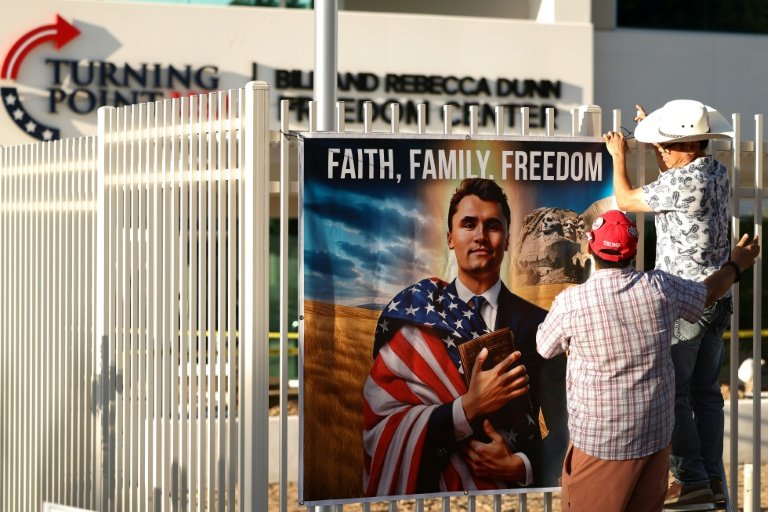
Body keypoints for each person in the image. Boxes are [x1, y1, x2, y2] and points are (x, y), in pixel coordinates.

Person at [536, 210, 759, 512]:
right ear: (634, 251)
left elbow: (543, 347)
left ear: (590, 249)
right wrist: (736, 264)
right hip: (654, 440)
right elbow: (707, 294)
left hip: (600, 446)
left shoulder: (572, 302)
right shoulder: (661, 288)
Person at [362, 178, 555, 497]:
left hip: (512, 499)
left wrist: (520, 466)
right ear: (450, 238)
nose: (481, 236)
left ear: (507, 239)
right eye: (469, 224)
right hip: (431, 494)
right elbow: (383, 421)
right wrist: (467, 408)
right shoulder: (416, 317)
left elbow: (567, 425)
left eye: (493, 225)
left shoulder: (540, 323)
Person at [603, 99, 735, 505]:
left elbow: (624, 199)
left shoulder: (682, 183)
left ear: (691, 146)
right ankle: (712, 478)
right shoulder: (716, 171)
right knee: (708, 394)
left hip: (686, 302)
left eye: (667, 146)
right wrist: (652, 133)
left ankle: (690, 476)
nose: (661, 152)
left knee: (672, 392)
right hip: (719, 296)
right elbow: (672, 165)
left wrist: (618, 157)